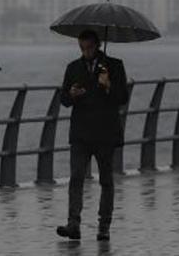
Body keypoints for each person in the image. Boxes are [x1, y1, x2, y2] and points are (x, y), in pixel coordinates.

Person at [56, 30, 128, 242]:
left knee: (106, 180)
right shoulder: (73, 68)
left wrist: (108, 87)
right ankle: (73, 224)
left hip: (105, 133)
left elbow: (122, 97)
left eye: (89, 48)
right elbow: (64, 99)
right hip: (80, 134)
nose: (85, 52)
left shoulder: (114, 66)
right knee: (76, 178)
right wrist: (72, 94)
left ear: (97, 45)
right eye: (82, 48)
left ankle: (104, 226)